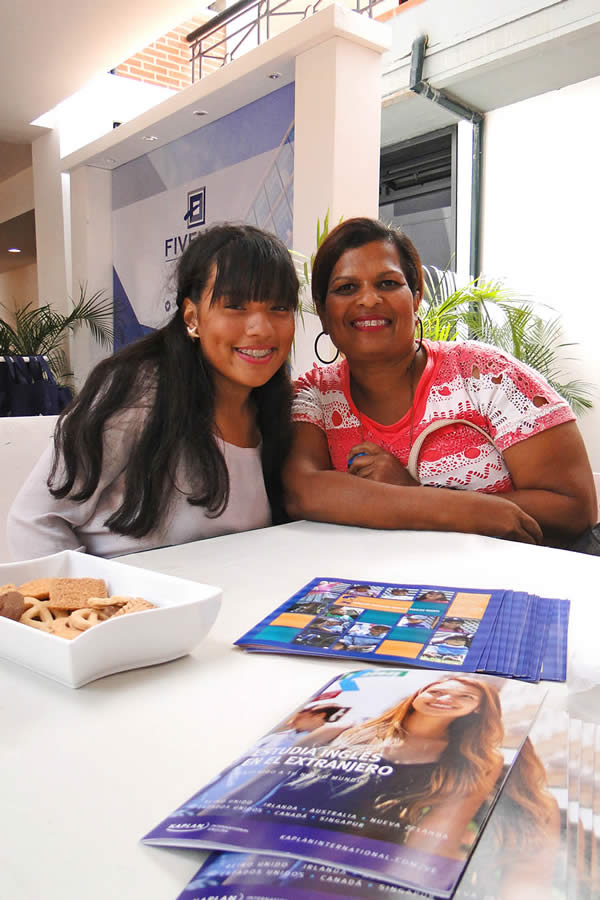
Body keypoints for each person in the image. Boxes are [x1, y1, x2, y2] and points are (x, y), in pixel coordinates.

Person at [284, 217, 597, 546]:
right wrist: (461, 510)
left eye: (388, 283)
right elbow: (301, 491)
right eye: (346, 288)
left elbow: (574, 509)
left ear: (416, 297)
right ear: (323, 312)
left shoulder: (486, 375)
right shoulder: (314, 396)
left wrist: (415, 492)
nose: (369, 300)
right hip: (365, 576)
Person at [8, 224, 298, 559]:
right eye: (235, 306)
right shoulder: (139, 392)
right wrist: (92, 592)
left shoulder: (275, 408)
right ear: (192, 317)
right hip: (125, 589)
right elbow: (35, 521)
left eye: (279, 308)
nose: (261, 328)